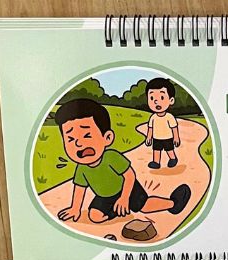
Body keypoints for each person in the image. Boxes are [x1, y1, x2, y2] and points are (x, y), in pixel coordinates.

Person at [54, 98, 191, 225]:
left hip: (128, 188)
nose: (79, 143)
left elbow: (130, 176)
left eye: (87, 135)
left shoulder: (111, 157)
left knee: (145, 206)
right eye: (71, 139)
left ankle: (173, 203)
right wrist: (75, 208)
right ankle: (117, 210)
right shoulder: (82, 168)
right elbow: (79, 188)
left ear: (107, 138)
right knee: (94, 216)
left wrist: (125, 198)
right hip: (105, 196)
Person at [145, 77, 181, 169]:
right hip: (156, 137)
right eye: (152, 98)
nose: (156, 101)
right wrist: (148, 137)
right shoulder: (153, 117)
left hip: (167, 137)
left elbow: (174, 128)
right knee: (156, 150)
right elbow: (150, 128)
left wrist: (176, 137)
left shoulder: (169, 117)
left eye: (162, 97)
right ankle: (156, 162)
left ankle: (173, 158)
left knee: (169, 149)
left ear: (171, 100)